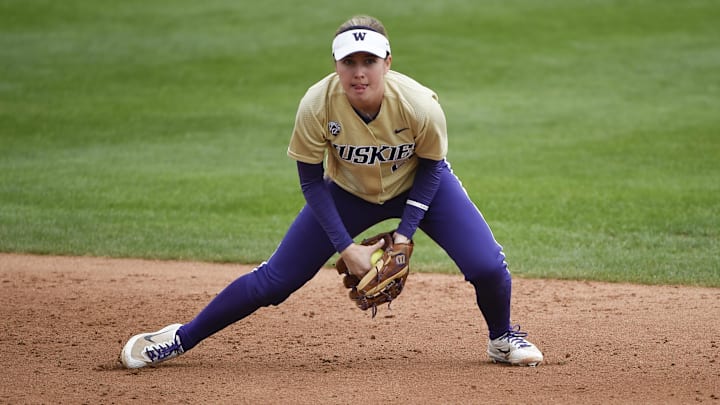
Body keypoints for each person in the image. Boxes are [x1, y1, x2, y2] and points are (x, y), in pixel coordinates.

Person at [120, 15, 543, 368]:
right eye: (350, 62)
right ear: (336, 65)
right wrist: (346, 248)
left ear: (387, 63)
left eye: (369, 61)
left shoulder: (420, 104)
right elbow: (310, 180)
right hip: (347, 191)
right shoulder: (316, 105)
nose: (360, 72)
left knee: (488, 266)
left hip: (419, 185)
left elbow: (432, 167)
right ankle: (180, 337)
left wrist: (405, 232)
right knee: (274, 282)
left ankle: (501, 338)